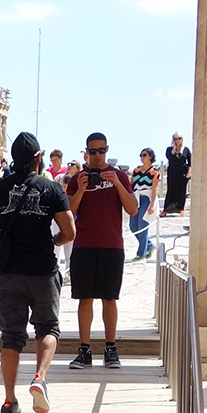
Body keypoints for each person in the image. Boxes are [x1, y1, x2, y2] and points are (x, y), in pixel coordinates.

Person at [0, 132, 77, 413]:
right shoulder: (51, 188)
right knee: (47, 329)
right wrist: (54, 243)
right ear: (38, 159)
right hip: (43, 270)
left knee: (11, 338)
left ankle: (9, 401)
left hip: (7, 273)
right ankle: (39, 378)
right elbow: (69, 232)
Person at [65, 132, 138, 371]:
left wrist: (116, 182)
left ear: (107, 150)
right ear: (86, 152)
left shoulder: (120, 176)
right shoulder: (77, 179)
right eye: (92, 151)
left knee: (109, 298)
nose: (97, 156)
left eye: (101, 151)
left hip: (111, 245)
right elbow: (68, 212)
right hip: (83, 245)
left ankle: (110, 348)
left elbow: (133, 209)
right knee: (84, 299)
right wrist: (82, 190)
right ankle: (84, 349)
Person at [132, 147, 159, 260]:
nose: (142, 157)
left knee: (142, 225)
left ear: (150, 157)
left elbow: (154, 189)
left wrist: (152, 204)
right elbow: (131, 185)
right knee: (133, 226)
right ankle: (149, 245)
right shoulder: (136, 171)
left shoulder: (154, 173)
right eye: (141, 155)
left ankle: (141, 253)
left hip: (146, 198)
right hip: (136, 198)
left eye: (145, 155)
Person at [164, 133, 192, 214]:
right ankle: (167, 209)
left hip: (182, 173)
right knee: (171, 190)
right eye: (175, 138)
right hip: (172, 173)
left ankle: (180, 208)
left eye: (179, 138)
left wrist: (189, 172)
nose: (177, 140)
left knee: (182, 191)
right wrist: (174, 149)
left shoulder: (186, 150)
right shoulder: (169, 149)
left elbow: (190, 162)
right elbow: (169, 157)